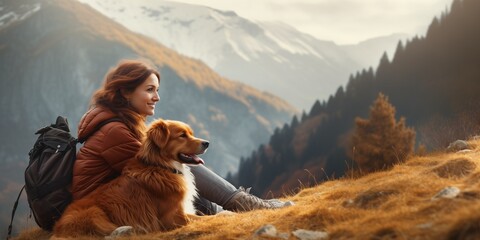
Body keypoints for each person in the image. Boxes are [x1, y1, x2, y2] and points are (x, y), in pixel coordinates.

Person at [72, 59, 293, 215]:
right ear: (125, 92)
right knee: (176, 164)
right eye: (149, 90)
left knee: (178, 166)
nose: (156, 97)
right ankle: (244, 204)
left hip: (119, 201)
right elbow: (160, 173)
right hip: (99, 210)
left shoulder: (123, 121)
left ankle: (231, 209)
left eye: (157, 90)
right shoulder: (115, 131)